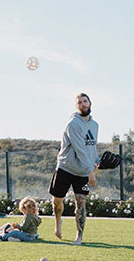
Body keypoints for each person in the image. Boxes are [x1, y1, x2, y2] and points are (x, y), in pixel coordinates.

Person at [48, 93, 100, 245]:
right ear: (77, 106)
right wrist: (91, 172)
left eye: (85, 101)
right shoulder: (73, 124)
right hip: (66, 167)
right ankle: (58, 222)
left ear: (90, 103)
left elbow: (91, 147)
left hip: (82, 171)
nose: (83, 104)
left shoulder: (95, 125)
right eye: (80, 103)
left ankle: (79, 235)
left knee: (81, 202)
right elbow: (79, 149)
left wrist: (97, 161)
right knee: (57, 201)